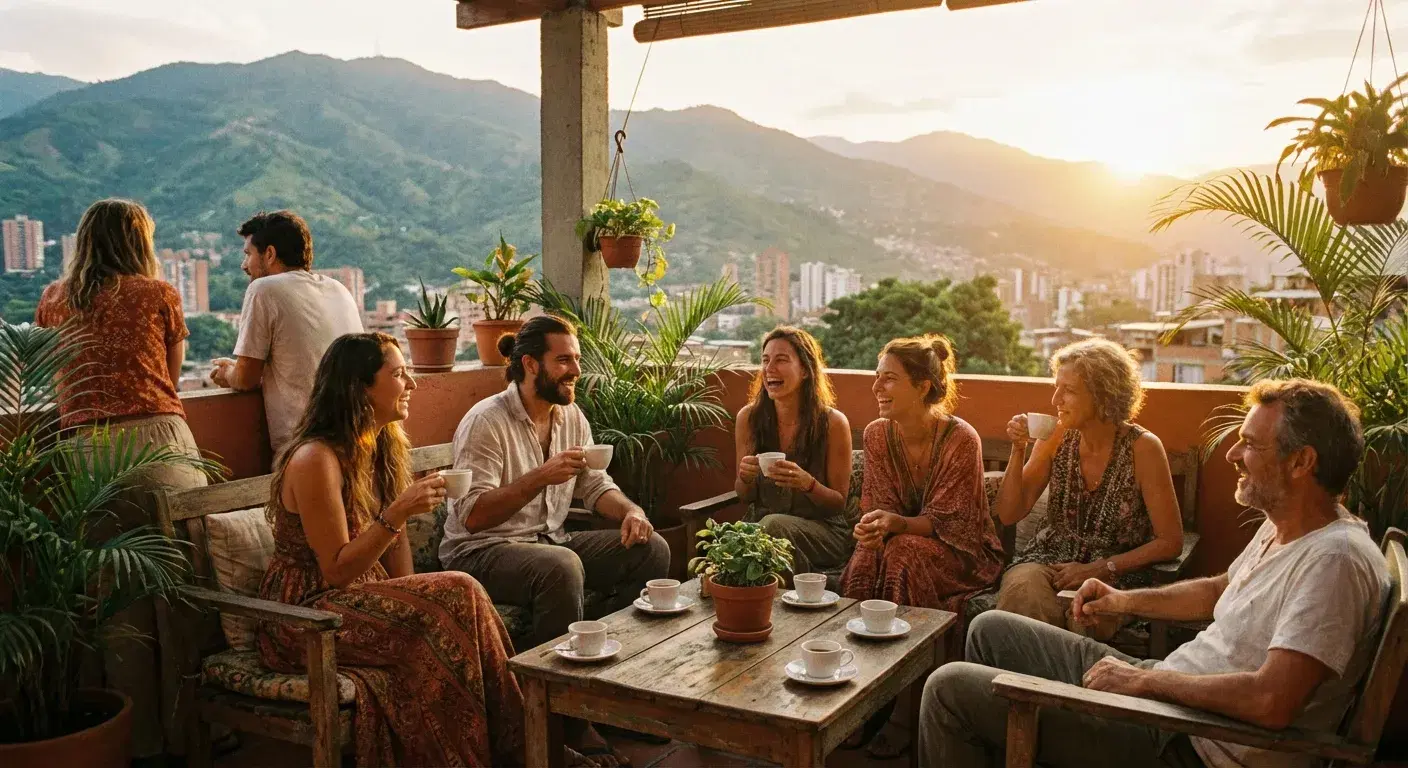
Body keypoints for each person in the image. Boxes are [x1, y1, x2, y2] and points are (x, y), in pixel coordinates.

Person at [920, 378, 1390, 768]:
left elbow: (1271, 701)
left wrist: (1143, 683)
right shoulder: (1287, 528)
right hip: (1171, 692)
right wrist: (1123, 600)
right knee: (990, 629)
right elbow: (1220, 590)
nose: (1231, 456)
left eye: (1249, 445)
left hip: (1185, 741)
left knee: (948, 689)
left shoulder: (1335, 562)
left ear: (1302, 462)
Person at [257, 332, 524, 767]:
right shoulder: (315, 459)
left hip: (358, 598)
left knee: (458, 599)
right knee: (459, 589)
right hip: (305, 615)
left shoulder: (382, 445)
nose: (413, 384)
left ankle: (517, 746)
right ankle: (504, 751)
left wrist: (414, 598)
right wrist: (398, 512)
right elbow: (337, 571)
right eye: (399, 374)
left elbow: (394, 560)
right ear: (359, 387)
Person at [439, 315, 670, 766]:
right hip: (482, 551)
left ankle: (604, 692)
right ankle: (555, 715)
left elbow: (595, 486)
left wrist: (632, 512)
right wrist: (539, 477)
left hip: (550, 539)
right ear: (530, 364)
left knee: (651, 550)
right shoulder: (486, 421)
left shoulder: (571, 416)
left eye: (577, 359)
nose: (576, 370)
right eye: (564, 360)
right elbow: (471, 516)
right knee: (561, 566)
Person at [34, 197, 210, 761]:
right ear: (140, 242)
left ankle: (134, 741)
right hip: (158, 446)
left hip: (85, 454)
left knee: (112, 601)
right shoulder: (157, 293)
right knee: (183, 588)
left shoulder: (53, 300)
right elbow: (172, 375)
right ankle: (194, 733)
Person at [838, 334, 1005, 758]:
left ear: (923, 386)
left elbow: (952, 524)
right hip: (902, 543)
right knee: (864, 561)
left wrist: (895, 526)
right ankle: (852, 702)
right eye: (876, 378)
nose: (876, 388)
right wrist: (873, 527)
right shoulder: (877, 435)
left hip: (962, 554)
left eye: (889, 379)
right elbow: (878, 505)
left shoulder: (961, 439)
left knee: (904, 555)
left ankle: (906, 709)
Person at [992, 338, 1183, 640]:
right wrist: (1017, 450)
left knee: (1087, 616)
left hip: (1116, 574)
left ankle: (1066, 686)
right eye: (1056, 387)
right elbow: (1008, 511)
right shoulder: (1054, 437)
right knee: (1021, 595)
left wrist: (1100, 568)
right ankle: (1020, 685)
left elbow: (1170, 541)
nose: (1056, 399)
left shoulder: (1143, 448)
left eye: (1068, 390)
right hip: (1049, 561)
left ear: (1103, 395)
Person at [211, 210, 362, 459]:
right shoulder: (339, 288)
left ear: (269, 254)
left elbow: (247, 378)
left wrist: (228, 372)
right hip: (355, 437)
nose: (243, 265)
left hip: (305, 448)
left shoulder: (264, 289)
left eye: (248, 254)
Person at [733, 327, 853, 576]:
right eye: (765, 360)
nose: (769, 369)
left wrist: (808, 484)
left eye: (781, 360)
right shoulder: (749, 419)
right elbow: (744, 495)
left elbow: (838, 505)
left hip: (823, 531)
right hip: (760, 526)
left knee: (771, 529)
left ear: (806, 370)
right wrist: (745, 477)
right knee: (735, 540)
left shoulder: (832, 423)